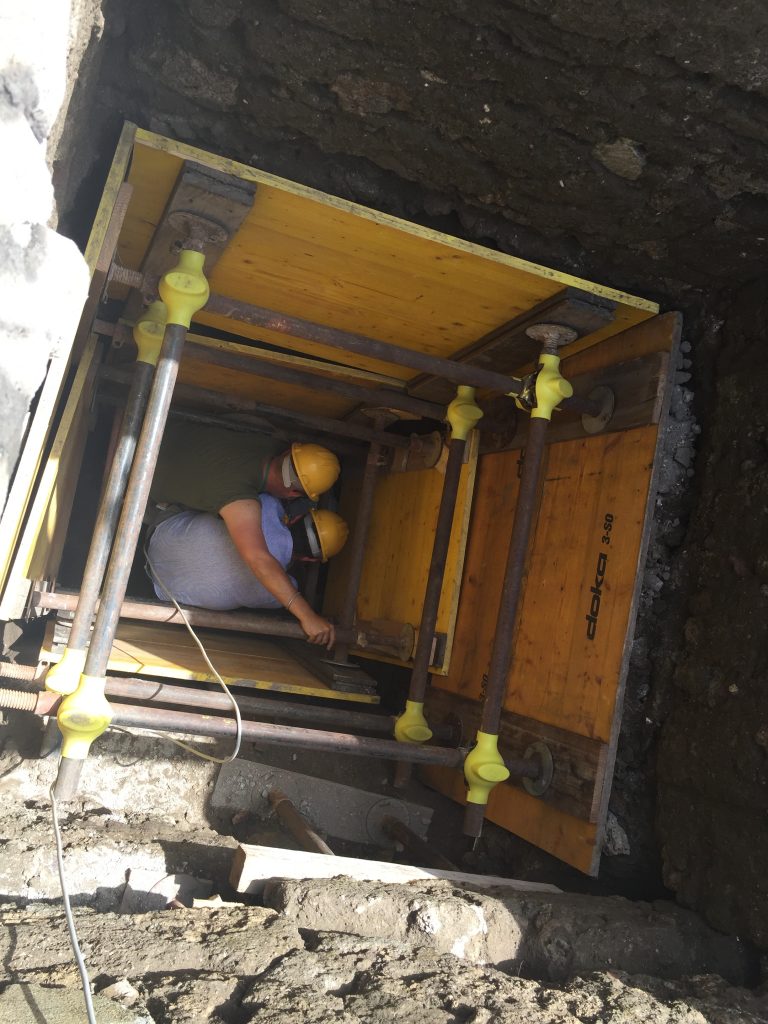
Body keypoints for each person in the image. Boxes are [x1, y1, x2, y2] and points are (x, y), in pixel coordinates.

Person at [146, 420, 347, 649]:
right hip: (164, 587)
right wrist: (307, 615)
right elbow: (258, 558)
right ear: (310, 559)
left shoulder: (267, 494)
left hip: (157, 437)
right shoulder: (246, 507)